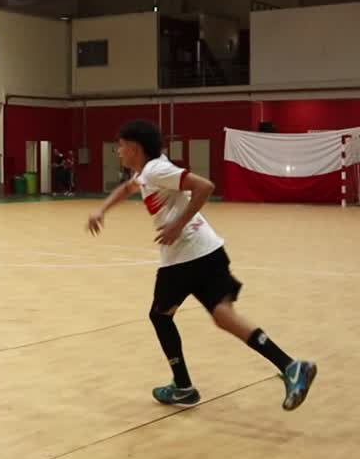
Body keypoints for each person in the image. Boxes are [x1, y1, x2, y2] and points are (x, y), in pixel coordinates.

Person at [87, 119, 316, 411]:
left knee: (160, 316)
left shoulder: (157, 170)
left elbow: (204, 187)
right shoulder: (148, 173)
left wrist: (176, 225)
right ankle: (292, 366)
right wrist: (102, 210)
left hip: (184, 258)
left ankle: (183, 387)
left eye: (120, 147)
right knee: (224, 315)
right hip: (209, 250)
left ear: (134, 147)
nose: (118, 152)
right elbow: (127, 188)